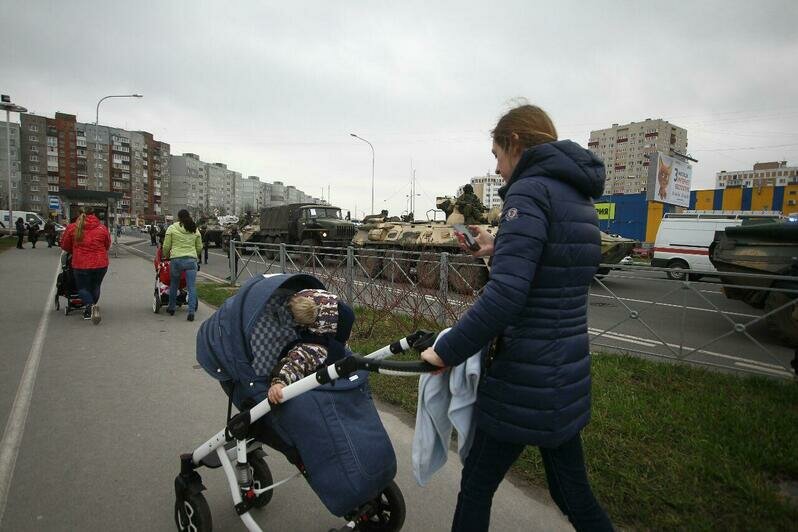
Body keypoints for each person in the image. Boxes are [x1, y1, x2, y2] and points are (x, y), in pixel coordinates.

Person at [421, 104, 613, 532]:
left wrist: (445, 351)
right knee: (572, 495)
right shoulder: (576, 196)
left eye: (496, 154)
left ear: (516, 143)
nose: (498, 167)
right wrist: (501, 244)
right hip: (564, 375)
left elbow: (507, 295)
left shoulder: (528, 192)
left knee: (475, 487)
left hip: (522, 378)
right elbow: (553, 268)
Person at [267, 289, 342, 404]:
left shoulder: (311, 349)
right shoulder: (336, 347)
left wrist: (279, 383)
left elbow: (296, 364)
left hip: (307, 402)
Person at [60, 207, 111, 324]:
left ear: (79, 214)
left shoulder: (73, 227)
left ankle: (90, 306)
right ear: (94, 215)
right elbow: (107, 245)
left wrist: (75, 250)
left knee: (83, 288)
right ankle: (93, 306)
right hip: (100, 263)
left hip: (81, 263)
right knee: (96, 286)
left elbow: (65, 245)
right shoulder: (102, 228)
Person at [162, 209, 203, 321]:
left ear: (178, 217)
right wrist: (195, 255)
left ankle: (171, 308)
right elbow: (199, 246)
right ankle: (191, 312)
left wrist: (166, 255)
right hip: (191, 260)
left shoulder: (172, 228)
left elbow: (166, 245)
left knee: (174, 284)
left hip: (176, 259)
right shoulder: (194, 228)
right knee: (191, 286)